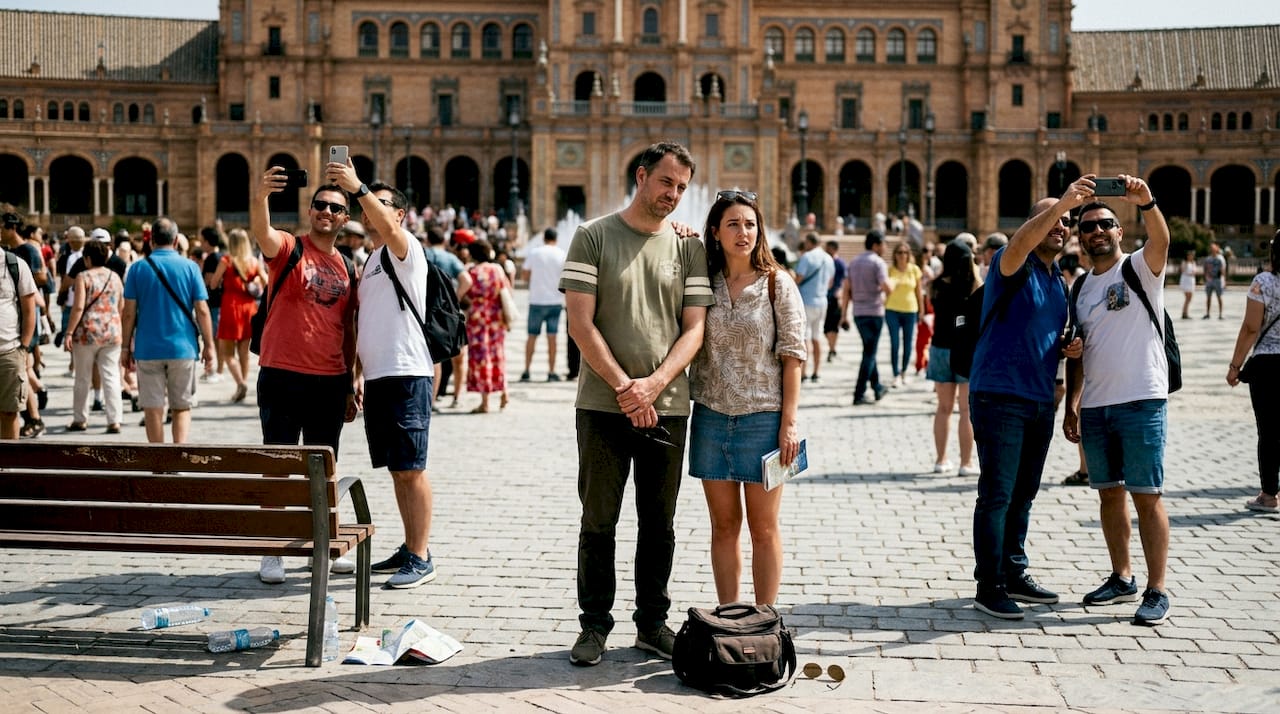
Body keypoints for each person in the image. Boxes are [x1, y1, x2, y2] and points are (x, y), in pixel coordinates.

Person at [559, 141, 714, 666]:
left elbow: (695, 330)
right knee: (598, 520)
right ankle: (594, 626)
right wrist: (628, 387)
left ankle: (652, 622)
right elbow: (581, 323)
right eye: (666, 182)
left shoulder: (689, 248)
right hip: (603, 407)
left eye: (682, 188)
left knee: (659, 523)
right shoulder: (593, 235)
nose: (673, 195)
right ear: (642, 175)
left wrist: (652, 386)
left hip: (667, 407)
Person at [968, 185, 1084, 621]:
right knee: (997, 494)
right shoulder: (1010, 263)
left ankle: (1014, 572)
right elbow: (1019, 243)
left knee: (1024, 493)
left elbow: (1041, 336)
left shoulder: (1058, 282)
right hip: (999, 395)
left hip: (1039, 399)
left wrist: (1066, 349)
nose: (1061, 225)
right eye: (1051, 218)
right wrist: (1065, 202)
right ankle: (989, 585)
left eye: (1066, 221)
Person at [1062, 176, 1173, 626]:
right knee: (1109, 495)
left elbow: (1162, 239)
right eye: (1088, 227)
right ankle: (1121, 576)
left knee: (1147, 495)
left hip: (1142, 398)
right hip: (1097, 405)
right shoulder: (1081, 287)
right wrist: (1072, 401)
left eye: (1105, 223)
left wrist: (1146, 202)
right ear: (1081, 237)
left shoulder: (1142, 267)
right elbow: (1081, 348)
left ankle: (1157, 587)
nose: (1097, 232)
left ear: (1119, 230)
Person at [689, 190, 805, 606]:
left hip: (763, 420)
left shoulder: (778, 283)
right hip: (711, 417)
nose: (744, 232)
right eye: (734, 224)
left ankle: (765, 619)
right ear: (716, 233)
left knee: (764, 528)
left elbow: (793, 356)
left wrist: (788, 423)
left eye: (751, 224)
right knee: (723, 526)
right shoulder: (703, 280)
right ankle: (729, 615)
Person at [251, 167, 359, 584]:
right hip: (281, 372)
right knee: (278, 462)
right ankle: (272, 550)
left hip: (329, 379)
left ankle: (321, 545)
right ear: (310, 210)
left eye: (336, 207)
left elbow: (347, 329)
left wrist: (349, 382)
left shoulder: (348, 267)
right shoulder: (289, 248)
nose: (327, 212)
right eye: (320, 205)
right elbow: (263, 232)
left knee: (323, 466)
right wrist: (261, 196)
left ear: (345, 218)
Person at [335, 173, 441, 589]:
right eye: (365, 206)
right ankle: (412, 546)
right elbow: (367, 323)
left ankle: (420, 555)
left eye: (378, 205)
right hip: (379, 377)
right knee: (397, 469)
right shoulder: (372, 260)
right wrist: (356, 376)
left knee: (411, 468)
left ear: (397, 214)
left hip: (406, 373)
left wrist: (358, 186)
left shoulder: (405, 248)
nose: (367, 210)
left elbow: (391, 228)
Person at [120, 217, 216, 444]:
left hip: (148, 348)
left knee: (152, 409)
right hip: (183, 348)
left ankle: (158, 464)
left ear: (151, 240)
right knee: (181, 407)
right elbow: (202, 310)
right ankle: (177, 459)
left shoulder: (137, 269)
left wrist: (125, 347)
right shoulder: (190, 267)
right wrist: (210, 346)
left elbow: (128, 313)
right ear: (175, 240)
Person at [1227, 230, 1280, 513]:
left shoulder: (1263, 282)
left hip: (1268, 365)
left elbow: (1251, 327)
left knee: (1269, 431)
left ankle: (1270, 495)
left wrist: (1235, 366)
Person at [927, 240, 980, 476]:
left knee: (943, 408)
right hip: (965, 349)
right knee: (966, 410)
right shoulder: (972, 285)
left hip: (939, 348)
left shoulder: (936, 285)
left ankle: (941, 459)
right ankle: (966, 462)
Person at [63, 239, 124, 433]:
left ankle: (80, 419)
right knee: (111, 376)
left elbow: (79, 306)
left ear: (87, 258)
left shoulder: (83, 276)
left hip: (87, 333)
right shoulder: (115, 277)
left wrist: (69, 331)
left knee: (82, 377)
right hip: (111, 331)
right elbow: (120, 304)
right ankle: (114, 420)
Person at [207, 228, 264, 403]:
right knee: (244, 353)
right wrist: (254, 281)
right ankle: (243, 384)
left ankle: (240, 384)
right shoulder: (254, 262)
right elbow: (267, 281)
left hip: (231, 307)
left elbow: (214, 284)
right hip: (248, 308)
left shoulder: (226, 260)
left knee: (227, 353)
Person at [842, 230, 891, 405]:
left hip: (858, 313)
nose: (885, 247)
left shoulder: (854, 262)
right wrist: (887, 297)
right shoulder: (878, 263)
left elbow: (846, 289)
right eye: (883, 244)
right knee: (869, 353)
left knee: (869, 351)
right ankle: (859, 392)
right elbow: (886, 287)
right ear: (876, 244)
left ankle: (877, 386)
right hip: (874, 312)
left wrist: (844, 314)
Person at [460, 239, 508, 413]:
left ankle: (485, 402)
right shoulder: (497, 270)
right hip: (496, 318)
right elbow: (507, 291)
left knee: (481, 358)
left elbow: (464, 294)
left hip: (477, 319)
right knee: (497, 355)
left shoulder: (472, 272)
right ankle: (504, 392)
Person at [0, 235, 37, 440]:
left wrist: (24, 347)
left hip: (9, 351)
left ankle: (5, 466)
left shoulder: (14, 265)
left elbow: (29, 310)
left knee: (9, 412)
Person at [520, 227, 567, 382]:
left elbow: (525, 276)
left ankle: (526, 370)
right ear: (556, 239)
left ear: (544, 238)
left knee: (532, 336)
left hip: (537, 300)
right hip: (555, 301)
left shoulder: (535, 253)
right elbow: (566, 277)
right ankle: (551, 371)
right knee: (552, 337)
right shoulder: (562, 254)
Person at [793, 233, 833, 381]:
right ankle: (817, 371)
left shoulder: (807, 257)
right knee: (817, 337)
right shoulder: (828, 258)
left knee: (805, 338)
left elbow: (798, 278)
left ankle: (803, 372)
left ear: (809, 242)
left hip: (806, 301)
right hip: (822, 301)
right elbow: (830, 282)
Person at [885, 242, 923, 388]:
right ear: (895, 255)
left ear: (909, 255)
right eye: (899, 252)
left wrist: (922, 311)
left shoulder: (914, 270)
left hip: (910, 310)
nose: (902, 255)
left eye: (905, 252)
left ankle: (904, 372)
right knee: (895, 343)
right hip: (892, 309)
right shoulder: (890, 270)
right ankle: (895, 374)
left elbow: (919, 292)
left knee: (908, 343)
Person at [200, 226, 226, 383]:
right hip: (219, 301)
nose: (201, 244)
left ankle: (218, 369)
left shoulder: (211, 258)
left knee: (214, 336)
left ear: (208, 241)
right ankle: (214, 369)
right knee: (216, 336)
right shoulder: (221, 256)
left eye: (202, 240)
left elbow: (208, 281)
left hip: (213, 302)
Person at [821, 240, 846, 363]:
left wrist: (841, 294)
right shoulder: (825, 261)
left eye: (827, 248)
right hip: (825, 297)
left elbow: (845, 281)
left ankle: (832, 349)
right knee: (826, 328)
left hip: (835, 298)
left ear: (833, 249)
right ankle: (832, 349)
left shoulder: (840, 263)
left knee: (834, 326)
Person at [1202, 242, 1226, 319]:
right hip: (1209, 280)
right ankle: (1208, 313)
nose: (1212, 250)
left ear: (1216, 249)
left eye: (1214, 248)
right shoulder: (1207, 259)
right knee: (1208, 297)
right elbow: (1205, 269)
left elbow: (1222, 270)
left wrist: (1224, 281)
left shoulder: (1219, 259)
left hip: (1217, 280)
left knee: (1219, 297)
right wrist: (1206, 278)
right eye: (1211, 248)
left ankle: (1220, 314)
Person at [1178, 250, 1196, 319]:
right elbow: (1183, 270)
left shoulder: (1193, 262)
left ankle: (1185, 312)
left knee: (1189, 298)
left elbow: (1194, 271)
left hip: (1191, 280)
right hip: (1186, 280)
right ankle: (1184, 312)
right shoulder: (1184, 262)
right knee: (1187, 298)